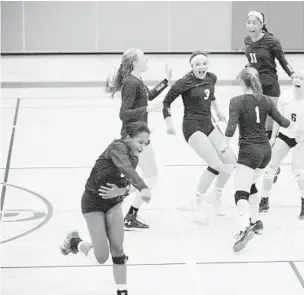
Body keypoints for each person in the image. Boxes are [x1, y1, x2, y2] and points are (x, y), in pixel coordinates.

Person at [60, 122, 153, 295]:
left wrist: (123, 190)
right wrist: (143, 187)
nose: (143, 146)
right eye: (140, 141)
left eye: (146, 143)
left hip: (113, 203)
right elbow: (124, 167)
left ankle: (122, 291)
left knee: (118, 249)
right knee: (100, 258)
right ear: (128, 138)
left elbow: (126, 181)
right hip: (92, 203)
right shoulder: (117, 147)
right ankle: (75, 242)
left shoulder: (134, 158)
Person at [220, 67, 293, 252]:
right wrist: (297, 124)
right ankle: (255, 220)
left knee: (240, 192)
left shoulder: (236, 101)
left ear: (242, 83)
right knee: (251, 184)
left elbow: (231, 127)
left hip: (249, 151)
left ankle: (244, 228)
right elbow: (284, 122)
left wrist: (224, 143)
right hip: (265, 151)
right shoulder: (266, 100)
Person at [163, 51, 236, 222]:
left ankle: (215, 197)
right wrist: (169, 123)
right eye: (197, 64)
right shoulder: (184, 82)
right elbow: (166, 102)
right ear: (192, 66)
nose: (201, 66)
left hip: (208, 124)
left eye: (204, 63)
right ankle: (197, 201)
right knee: (215, 164)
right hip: (191, 126)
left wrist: (217, 111)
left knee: (230, 161)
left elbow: (211, 95)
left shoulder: (211, 78)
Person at [105, 48, 172, 229]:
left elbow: (147, 96)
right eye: (143, 57)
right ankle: (118, 205)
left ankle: (126, 211)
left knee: (149, 176)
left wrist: (165, 82)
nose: (147, 58)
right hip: (133, 139)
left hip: (138, 137)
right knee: (149, 177)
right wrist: (147, 110)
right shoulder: (130, 83)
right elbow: (123, 114)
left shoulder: (136, 80)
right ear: (135, 62)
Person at [244, 10, 296, 211]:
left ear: (262, 24)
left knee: (267, 129)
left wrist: (293, 75)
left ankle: (271, 167)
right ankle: (268, 165)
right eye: (248, 22)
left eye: (254, 22)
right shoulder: (247, 41)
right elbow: (251, 62)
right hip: (255, 86)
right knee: (257, 126)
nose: (251, 25)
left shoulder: (272, 41)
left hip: (270, 87)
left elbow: (282, 61)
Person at [262, 69, 304, 220]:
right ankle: (264, 199)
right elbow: (277, 119)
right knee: (269, 167)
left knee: (298, 169)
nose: (297, 80)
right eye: (296, 78)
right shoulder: (286, 96)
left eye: (302, 79)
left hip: (302, 137)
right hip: (285, 135)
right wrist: (273, 138)